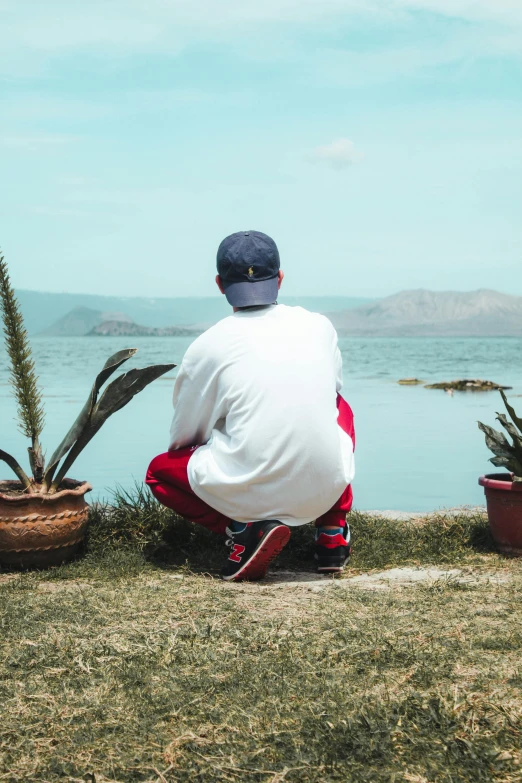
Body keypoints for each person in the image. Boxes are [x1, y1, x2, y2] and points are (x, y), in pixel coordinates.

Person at [146, 230, 355, 582]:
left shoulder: (207, 346)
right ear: (281, 278)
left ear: (219, 284)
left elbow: (183, 439)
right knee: (339, 406)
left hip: (246, 490)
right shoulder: (319, 326)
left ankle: (242, 531)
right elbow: (329, 398)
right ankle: (332, 532)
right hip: (325, 489)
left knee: (158, 471)